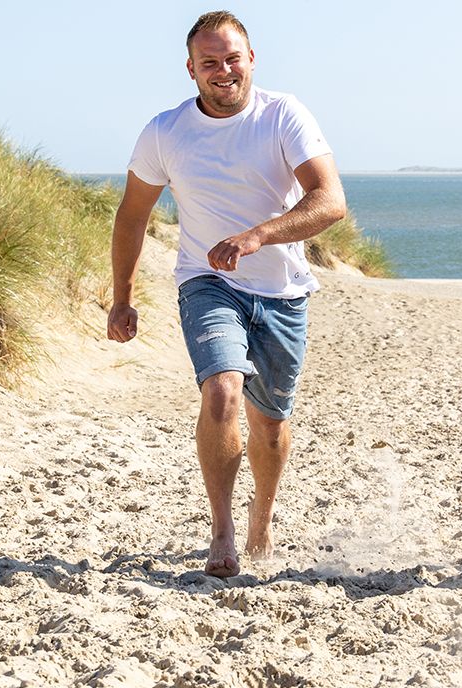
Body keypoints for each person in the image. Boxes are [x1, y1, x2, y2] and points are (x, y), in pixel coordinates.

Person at [106, 11, 346, 578]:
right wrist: (122, 297)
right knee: (221, 392)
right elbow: (133, 215)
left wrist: (260, 234)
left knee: (270, 423)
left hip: (283, 291)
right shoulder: (165, 131)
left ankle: (261, 518)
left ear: (251, 60)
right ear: (190, 69)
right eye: (209, 62)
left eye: (232, 58)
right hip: (207, 281)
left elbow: (330, 200)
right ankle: (222, 530)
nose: (222, 71)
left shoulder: (283, 114)